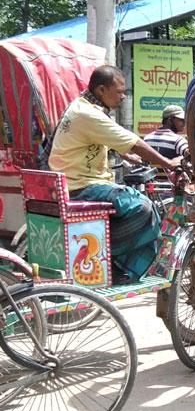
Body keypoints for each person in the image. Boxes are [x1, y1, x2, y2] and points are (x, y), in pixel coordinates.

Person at [47, 66, 181, 284]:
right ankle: (105, 259)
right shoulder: (89, 114)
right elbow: (135, 142)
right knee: (144, 209)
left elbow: (91, 139)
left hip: (70, 182)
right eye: (119, 91)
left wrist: (123, 155)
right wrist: (167, 163)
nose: (123, 96)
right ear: (101, 89)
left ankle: (110, 260)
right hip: (82, 187)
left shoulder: (81, 105)